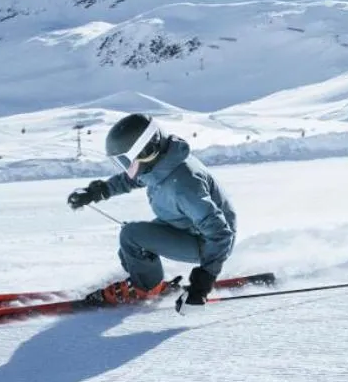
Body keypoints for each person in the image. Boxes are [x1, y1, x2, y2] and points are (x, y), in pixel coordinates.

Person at [67, 113, 236, 309]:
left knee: (132, 236)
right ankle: (149, 284)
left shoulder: (183, 184)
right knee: (130, 248)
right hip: (185, 225)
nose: (128, 168)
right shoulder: (160, 163)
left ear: (147, 151)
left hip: (207, 242)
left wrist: (204, 281)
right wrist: (98, 192)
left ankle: (144, 288)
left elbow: (221, 234)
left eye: (128, 161)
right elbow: (132, 178)